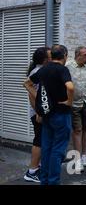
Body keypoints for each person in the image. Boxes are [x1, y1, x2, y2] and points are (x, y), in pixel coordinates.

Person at [23, 45, 74, 185]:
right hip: (61, 115)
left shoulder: (44, 69)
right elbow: (70, 87)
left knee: (46, 148)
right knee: (58, 150)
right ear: (64, 55)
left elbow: (27, 83)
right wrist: (69, 102)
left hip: (47, 116)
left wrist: (40, 101)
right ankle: (53, 182)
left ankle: (44, 181)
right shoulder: (63, 69)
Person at [23, 47, 51, 183]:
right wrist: (39, 112)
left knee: (41, 139)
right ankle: (32, 171)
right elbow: (31, 96)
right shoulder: (37, 72)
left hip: (40, 112)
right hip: (38, 113)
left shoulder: (41, 70)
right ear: (46, 59)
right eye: (51, 55)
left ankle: (37, 166)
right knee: (38, 141)